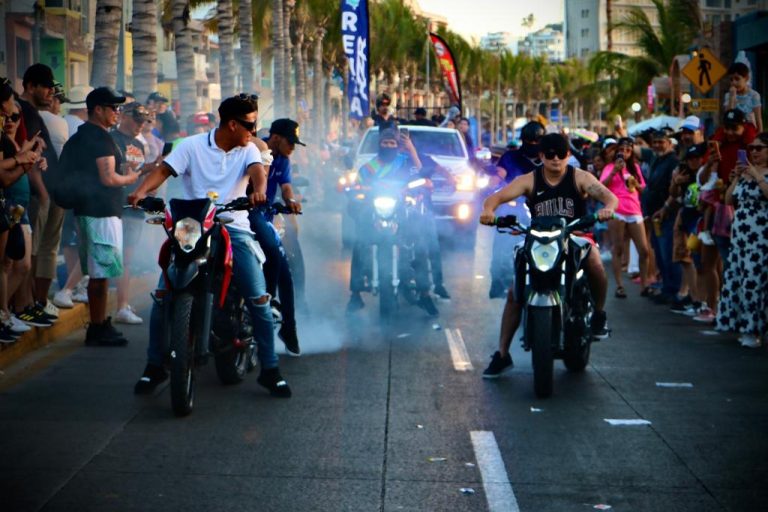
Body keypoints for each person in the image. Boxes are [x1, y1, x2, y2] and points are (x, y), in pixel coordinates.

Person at [129, 93, 292, 398]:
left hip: (235, 227)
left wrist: (259, 192)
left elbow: (258, 172)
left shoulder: (249, 151)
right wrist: (139, 192)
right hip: (193, 227)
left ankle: (270, 370)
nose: (254, 133)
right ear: (232, 124)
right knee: (163, 294)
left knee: (258, 298)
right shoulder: (191, 146)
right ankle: (154, 366)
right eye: (249, 126)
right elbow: (164, 170)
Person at [479, 133, 618, 378]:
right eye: (549, 154)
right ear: (541, 156)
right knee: (515, 291)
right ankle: (502, 354)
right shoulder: (529, 179)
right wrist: (489, 211)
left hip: (575, 234)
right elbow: (495, 198)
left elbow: (610, 197)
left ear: (568, 155)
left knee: (595, 260)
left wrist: (608, 209)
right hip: (538, 236)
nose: (555, 159)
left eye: (561, 154)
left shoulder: (581, 177)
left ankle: (598, 314)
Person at [61, 87, 140, 346]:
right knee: (100, 273)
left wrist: (122, 169)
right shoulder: (98, 138)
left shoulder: (89, 135)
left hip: (93, 211)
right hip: (100, 213)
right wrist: (131, 178)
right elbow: (108, 178)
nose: (117, 113)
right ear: (98, 110)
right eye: (113, 108)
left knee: (100, 272)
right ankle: (97, 327)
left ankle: (99, 323)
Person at [346, 127, 437, 315]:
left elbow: (422, 176)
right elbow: (356, 188)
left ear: (397, 146)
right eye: (385, 143)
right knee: (359, 243)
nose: (388, 146)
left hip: (402, 211)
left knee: (419, 243)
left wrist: (412, 151)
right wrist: (357, 191)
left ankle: (425, 293)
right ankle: (355, 294)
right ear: (379, 145)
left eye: (392, 143)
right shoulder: (368, 168)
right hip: (374, 212)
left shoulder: (405, 163)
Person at [248, 118, 304, 356]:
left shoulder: (283, 159)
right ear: (277, 138)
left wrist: (290, 201)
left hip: (266, 215)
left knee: (284, 269)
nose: (292, 148)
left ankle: (288, 327)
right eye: (291, 142)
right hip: (244, 213)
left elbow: (286, 186)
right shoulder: (255, 149)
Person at [18, 64, 63, 324]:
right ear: (31, 86)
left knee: (43, 251)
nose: (51, 93)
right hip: (36, 194)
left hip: (48, 191)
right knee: (29, 254)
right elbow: (29, 156)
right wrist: (44, 193)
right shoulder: (22, 111)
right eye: (46, 87)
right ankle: (25, 305)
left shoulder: (33, 112)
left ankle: (36, 302)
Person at [716, 132, 768, 348]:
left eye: (759, 148)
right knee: (738, 279)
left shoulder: (761, 174)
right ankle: (743, 326)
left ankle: (753, 330)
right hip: (741, 238)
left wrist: (756, 174)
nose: (754, 152)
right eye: (751, 148)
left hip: (761, 238)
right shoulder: (746, 173)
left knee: (754, 283)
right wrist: (737, 176)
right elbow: (728, 199)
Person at [110, 102, 156, 325]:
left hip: (134, 206)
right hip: (115, 205)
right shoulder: (113, 139)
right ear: (124, 117)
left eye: (143, 121)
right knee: (119, 258)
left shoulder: (139, 143)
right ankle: (121, 305)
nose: (140, 125)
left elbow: (136, 173)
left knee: (126, 259)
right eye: (136, 120)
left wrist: (150, 170)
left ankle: (123, 304)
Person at [488, 121, 544, 298]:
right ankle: (499, 281)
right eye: (529, 141)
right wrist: (492, 184)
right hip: (514, 205)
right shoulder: (510, 157)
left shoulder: (549, 159)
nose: (533, 145)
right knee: (502, 240)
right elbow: (500, 174)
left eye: (537, 142)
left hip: (543, 209)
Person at [600, 137, 651, 298]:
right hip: (617, 210)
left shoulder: (635, 167)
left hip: (634, 210)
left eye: (628, 150)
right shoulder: (609, 167)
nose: (624, 152)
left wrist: (636, 184)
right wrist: (615, 171)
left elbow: (644, 190)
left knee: (644, 250)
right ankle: (619, 286)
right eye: (621, 149)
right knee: (619, 249)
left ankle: (644, 285)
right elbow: (601, 187)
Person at [639, 130, 681, 304]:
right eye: (655, 142)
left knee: (668, 253)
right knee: (661, 255)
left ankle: (673, 290)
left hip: (667, 214)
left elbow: (675, 191)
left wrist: (665, 208)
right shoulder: (657, 159)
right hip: (654, 215)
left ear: (669, 143)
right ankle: (666, 288)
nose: (657, 145)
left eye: (661, 142)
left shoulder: (673, 161)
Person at [724, 62, 762, 132]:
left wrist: (760, 136)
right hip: (732, 130)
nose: (734, 82)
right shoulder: (728, 95)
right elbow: (728, 117)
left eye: (737, 79)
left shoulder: (754, 95)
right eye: (731, 80)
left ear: (746, 78)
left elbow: (758, 119)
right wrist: (732, 98)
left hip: (749, 129)